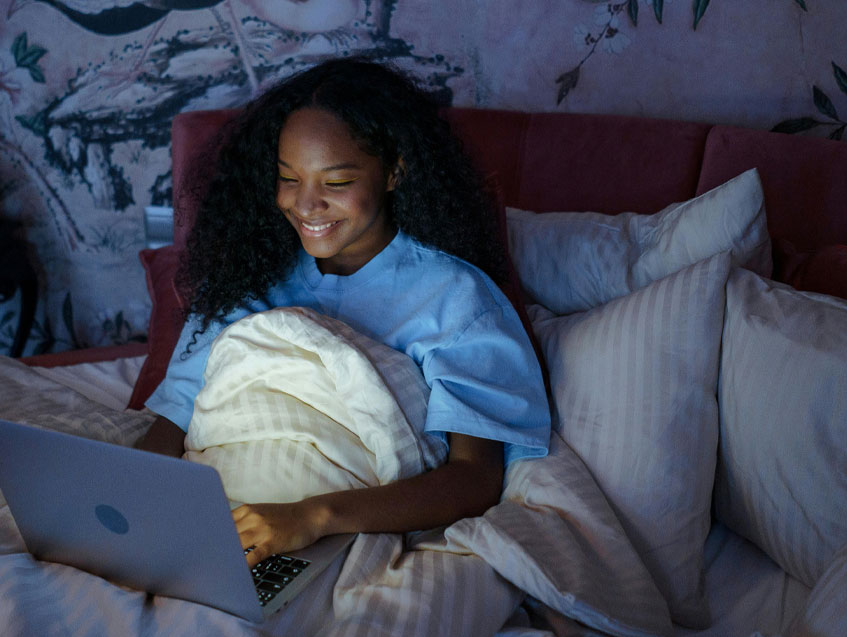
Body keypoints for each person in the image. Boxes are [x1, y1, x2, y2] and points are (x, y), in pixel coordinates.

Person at [138, 58, 550, 567]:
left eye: (335, 183)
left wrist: (312, 517)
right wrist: (135, 515)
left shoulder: (456, 298)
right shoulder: (245, 277)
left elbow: (476, 478)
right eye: (289, 178)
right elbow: (173, 421)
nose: (306, 205)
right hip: (212, 532)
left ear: (395, 170)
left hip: (347, 531)